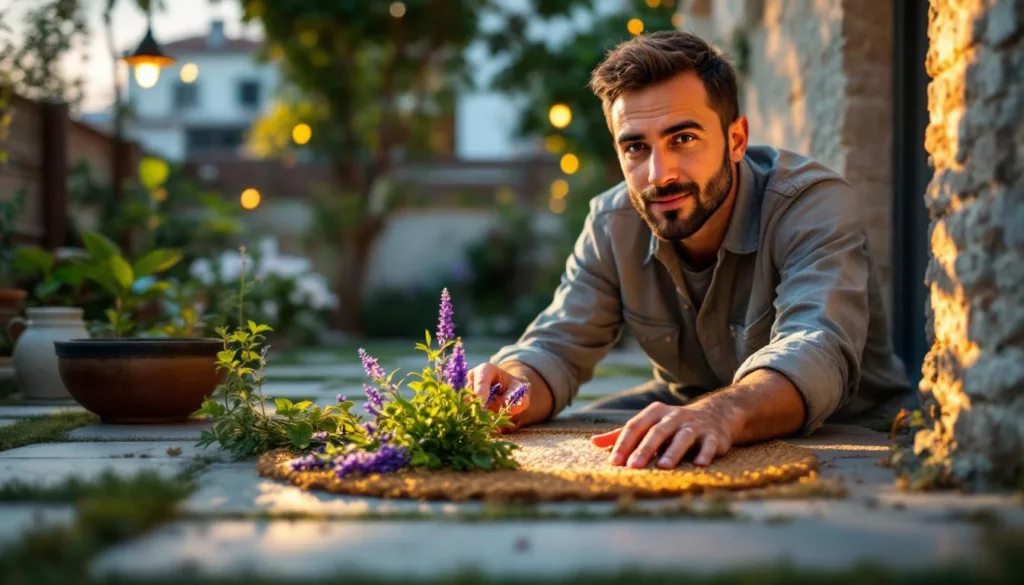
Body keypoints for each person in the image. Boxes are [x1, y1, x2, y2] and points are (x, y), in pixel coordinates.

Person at [467, 30, 910, 470]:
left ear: (736, 140)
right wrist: (510, 388)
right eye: (636, 147)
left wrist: (719, 413)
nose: (659, 174)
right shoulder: (613, 222)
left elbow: (816, 349)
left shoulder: (811, 204)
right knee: (585, 436)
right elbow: (557, 346)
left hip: (848, 426)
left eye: (683, 139)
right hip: (689, 409)